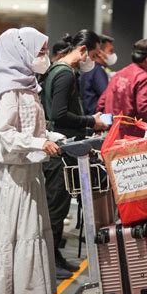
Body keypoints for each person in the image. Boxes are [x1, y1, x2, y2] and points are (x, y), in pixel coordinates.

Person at [0, 27, 61, 294]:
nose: (44, 57)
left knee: (32, 235)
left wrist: (48, 138)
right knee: (16, 237)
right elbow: (6, 134)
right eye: (39, 52)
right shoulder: (9, 91)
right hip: (14, 179)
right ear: (20, 52)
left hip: (30, 173)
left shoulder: (29, 87)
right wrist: (40, 141)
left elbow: (31, 128)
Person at [41, 30, 108, 279]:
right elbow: (59, 115)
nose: (94, 59)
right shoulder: (65, 74)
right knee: (55, 207)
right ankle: (49, 259)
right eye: (93, 54)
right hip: (59, 148)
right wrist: (92, 120)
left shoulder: (57, 70)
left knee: (57, 206)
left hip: (61, 145)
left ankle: (55, 256)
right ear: (82, 51)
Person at [97, 39, 147, 137]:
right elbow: (146, 109)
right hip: (132, 138)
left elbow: (101, 104)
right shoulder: (145, 78)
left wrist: (108, 126)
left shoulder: (118, 74)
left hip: (112, 136)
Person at [80, 34, 117, 116]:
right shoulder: (98, 71)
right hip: (96, 118)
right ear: (100, 52)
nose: (113, 55)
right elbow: (107, 96)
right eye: (110, 51)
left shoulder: (92, 68)